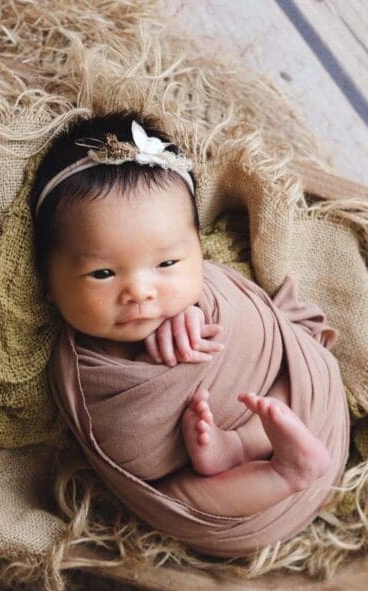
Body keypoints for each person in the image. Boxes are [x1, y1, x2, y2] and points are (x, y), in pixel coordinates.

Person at [33, 110, 333, 518]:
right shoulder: (84, 374)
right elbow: (133, 461)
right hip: (249, 506)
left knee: (292, 364)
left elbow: (264, 334)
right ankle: (285, 474)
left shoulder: (212, 294)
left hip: (316, 420)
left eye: (168, 264)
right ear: (48, 282)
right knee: (172, 500)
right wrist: (144, 360)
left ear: (198, 250)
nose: (140, 292)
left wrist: (196, 312)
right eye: (102, 273)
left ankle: (245, 442)